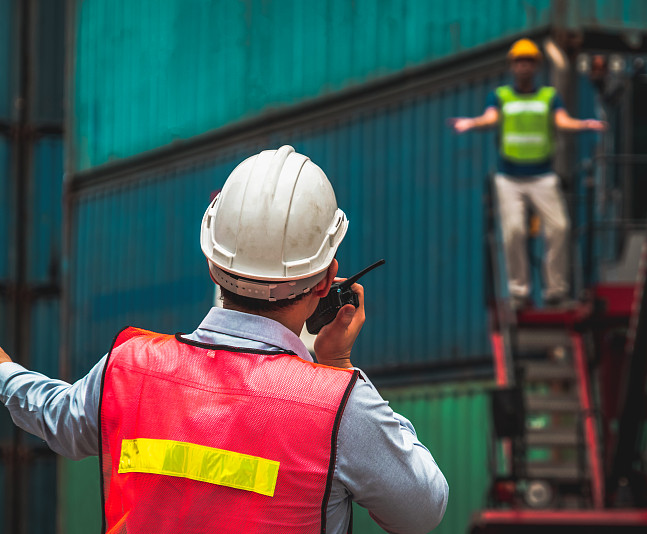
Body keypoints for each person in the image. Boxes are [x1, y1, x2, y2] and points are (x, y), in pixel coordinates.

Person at [0, 146, 448, 533]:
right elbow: (422, 511)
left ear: (212, 266)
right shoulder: (340, 408)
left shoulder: (129, 368)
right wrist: (338, 367)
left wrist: (4, 372)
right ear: (327, 281)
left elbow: (57, 416)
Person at [451, 38, 606, 309]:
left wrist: (584, 125)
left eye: (529, 62)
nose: (524, 66)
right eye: (519, 61)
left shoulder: (548, 97)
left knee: (559, 228)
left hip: (543, 175)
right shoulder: (500, 96)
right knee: (514, 231)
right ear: (512, 66)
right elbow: (491, 118)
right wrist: (472, 123)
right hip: (509, 178)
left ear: (536, 66)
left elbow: (561, 121)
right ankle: (519, 292)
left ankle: (556, 290)